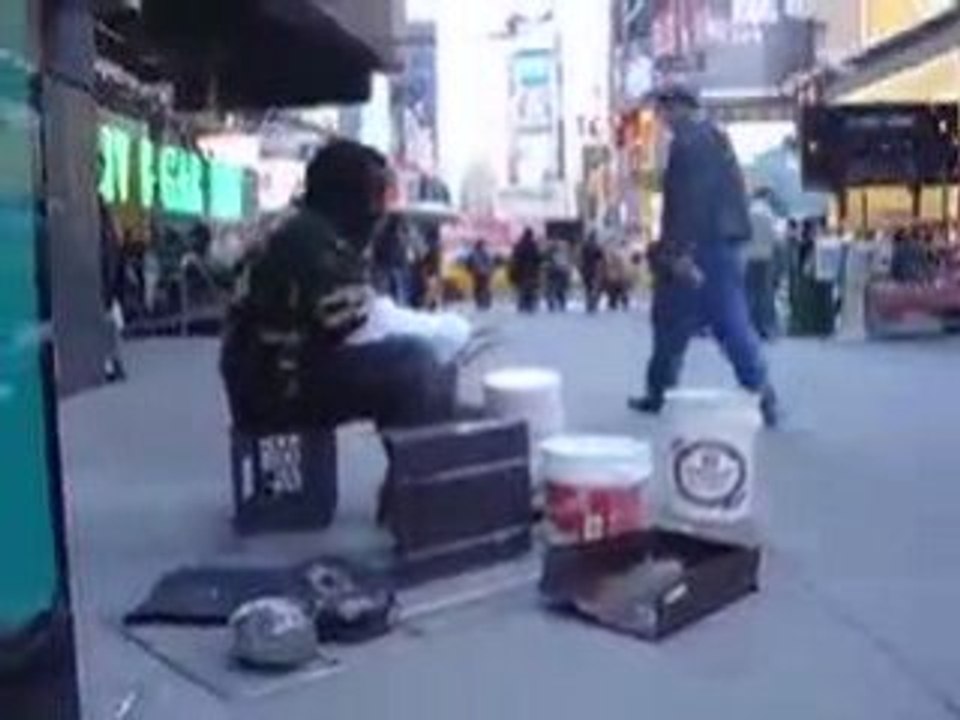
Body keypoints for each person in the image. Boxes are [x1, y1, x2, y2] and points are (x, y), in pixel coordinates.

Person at [220, 140, 460, 432]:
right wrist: (445, 330)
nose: (379, 211)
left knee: (419, 358)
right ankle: (415, 474)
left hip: (266, 379)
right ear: (346, 193)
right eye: (374, 195)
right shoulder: (310, 237)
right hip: (276, 386)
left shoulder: (298, 225)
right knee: (414, 364)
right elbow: (362, 325)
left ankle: (413, 468)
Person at [628, 84, 781, 427]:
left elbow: (690, 204)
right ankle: (661, 391)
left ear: (679, 107)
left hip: (703, 248)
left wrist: (679, 253)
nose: (661, 118)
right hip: (711, 244)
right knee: (677, 322)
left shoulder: (692, 143)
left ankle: (761, 393)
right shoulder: (708, 137)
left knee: (723, 321)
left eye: (663, 109)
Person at [744, 188, 782, 339]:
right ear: (765, 197)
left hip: (748, 257)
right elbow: (776, 239)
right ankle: (765, 327)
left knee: (749, 293)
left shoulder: (747, 212)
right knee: (765, 293)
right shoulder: (768, 214)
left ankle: (749, 327)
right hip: (766, 258)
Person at [98, 196, 126, 382]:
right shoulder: (104, 213)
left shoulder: (103, 212)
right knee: (109, 320)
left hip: (105, 275)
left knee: (108, 319)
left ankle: (110, 363)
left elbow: (115, 243)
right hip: (105, 274)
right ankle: (111, 362)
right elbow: (116, 242)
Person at [371, 215, 411, 305]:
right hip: (389, 263)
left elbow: (404, 244)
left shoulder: (385, 229)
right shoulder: (385, 230)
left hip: (394, 263)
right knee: (396, 286)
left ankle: (399, 303)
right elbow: (378, 247)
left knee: (398, 286)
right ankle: (398, 303)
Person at [510, 228, 542, 313]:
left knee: (522, 289)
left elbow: (514, 258)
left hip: (520, 271)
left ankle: (522, 305)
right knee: (530, 289)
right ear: (531, 235)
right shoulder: (533, 245)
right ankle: (530, 304)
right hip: (531, 271)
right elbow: (538, 258)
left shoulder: (518, 245)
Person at [580, 232, 606, 313]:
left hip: (585, 269)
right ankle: (593, 304)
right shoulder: (596, 246)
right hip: (594, 269)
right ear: (594, 238)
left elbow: (581, 257)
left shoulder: (585, 246)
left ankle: (588, 304)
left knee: (588, 288)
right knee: (594, 287)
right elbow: (601, 257)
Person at [544, 240, 572, 312]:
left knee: (556, 291)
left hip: (556, 274)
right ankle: (556, 305)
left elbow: (565, 265)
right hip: (556, 274)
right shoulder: (554, 253)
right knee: (556, 291)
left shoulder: (556, 253)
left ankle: (555, 306)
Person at [466, 239, 495, 310]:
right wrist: (490, 270)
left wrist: (470, 270)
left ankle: (481, 302)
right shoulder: (485, 253)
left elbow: (468, 264)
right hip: (483, 273)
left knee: (480, 288)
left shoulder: (473, 253)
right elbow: (490, 263)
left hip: (478, 273)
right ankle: (485, 302)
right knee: (484, 288)